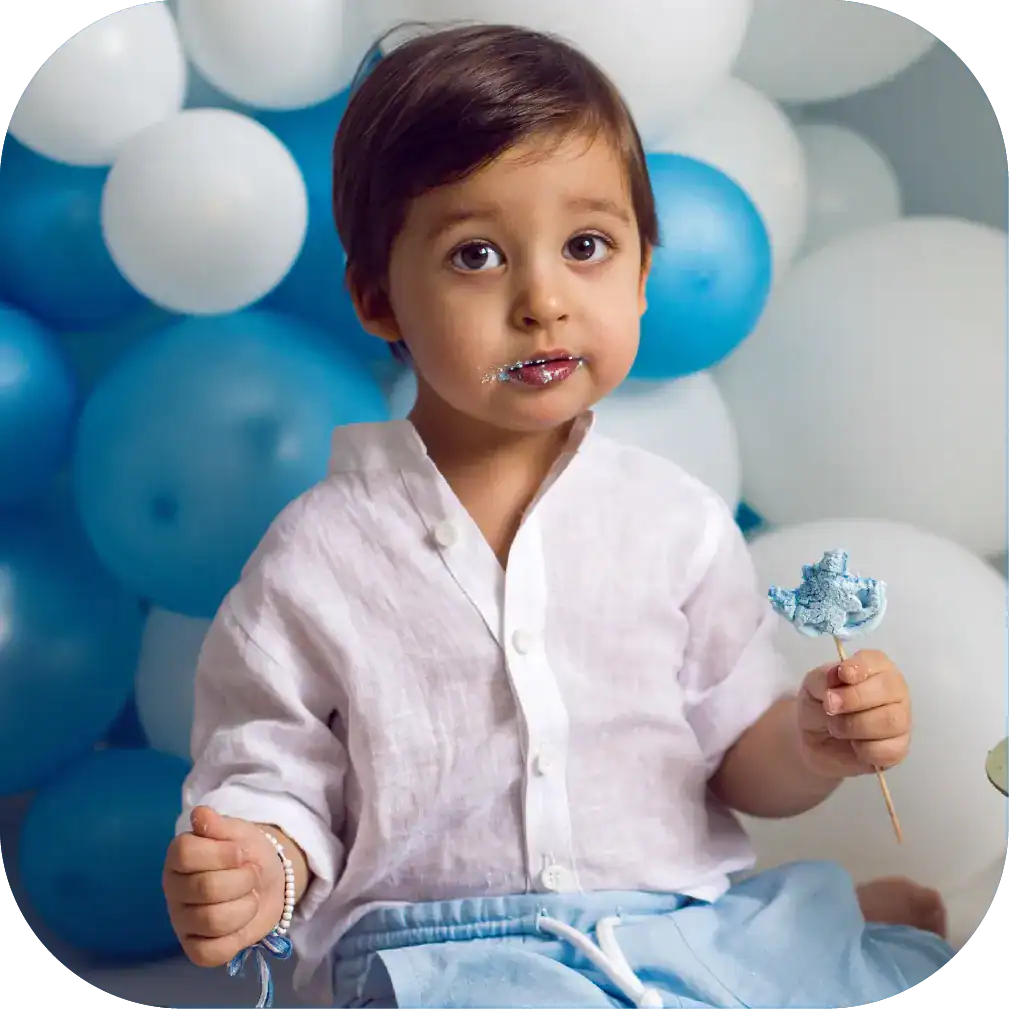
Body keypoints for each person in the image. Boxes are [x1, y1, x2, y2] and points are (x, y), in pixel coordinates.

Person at [162, 23, 955, 1009]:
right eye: (477, 255)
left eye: (586, 246)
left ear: (641, 272)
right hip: (439, 956)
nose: (542, 300)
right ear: (379, 299)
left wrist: (811, 741)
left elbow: (736, 755)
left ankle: (814, 933)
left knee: (872, 972)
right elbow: (272, 772)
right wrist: (256, 867)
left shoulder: (674, 524)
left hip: (663, 922)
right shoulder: (318, 555)